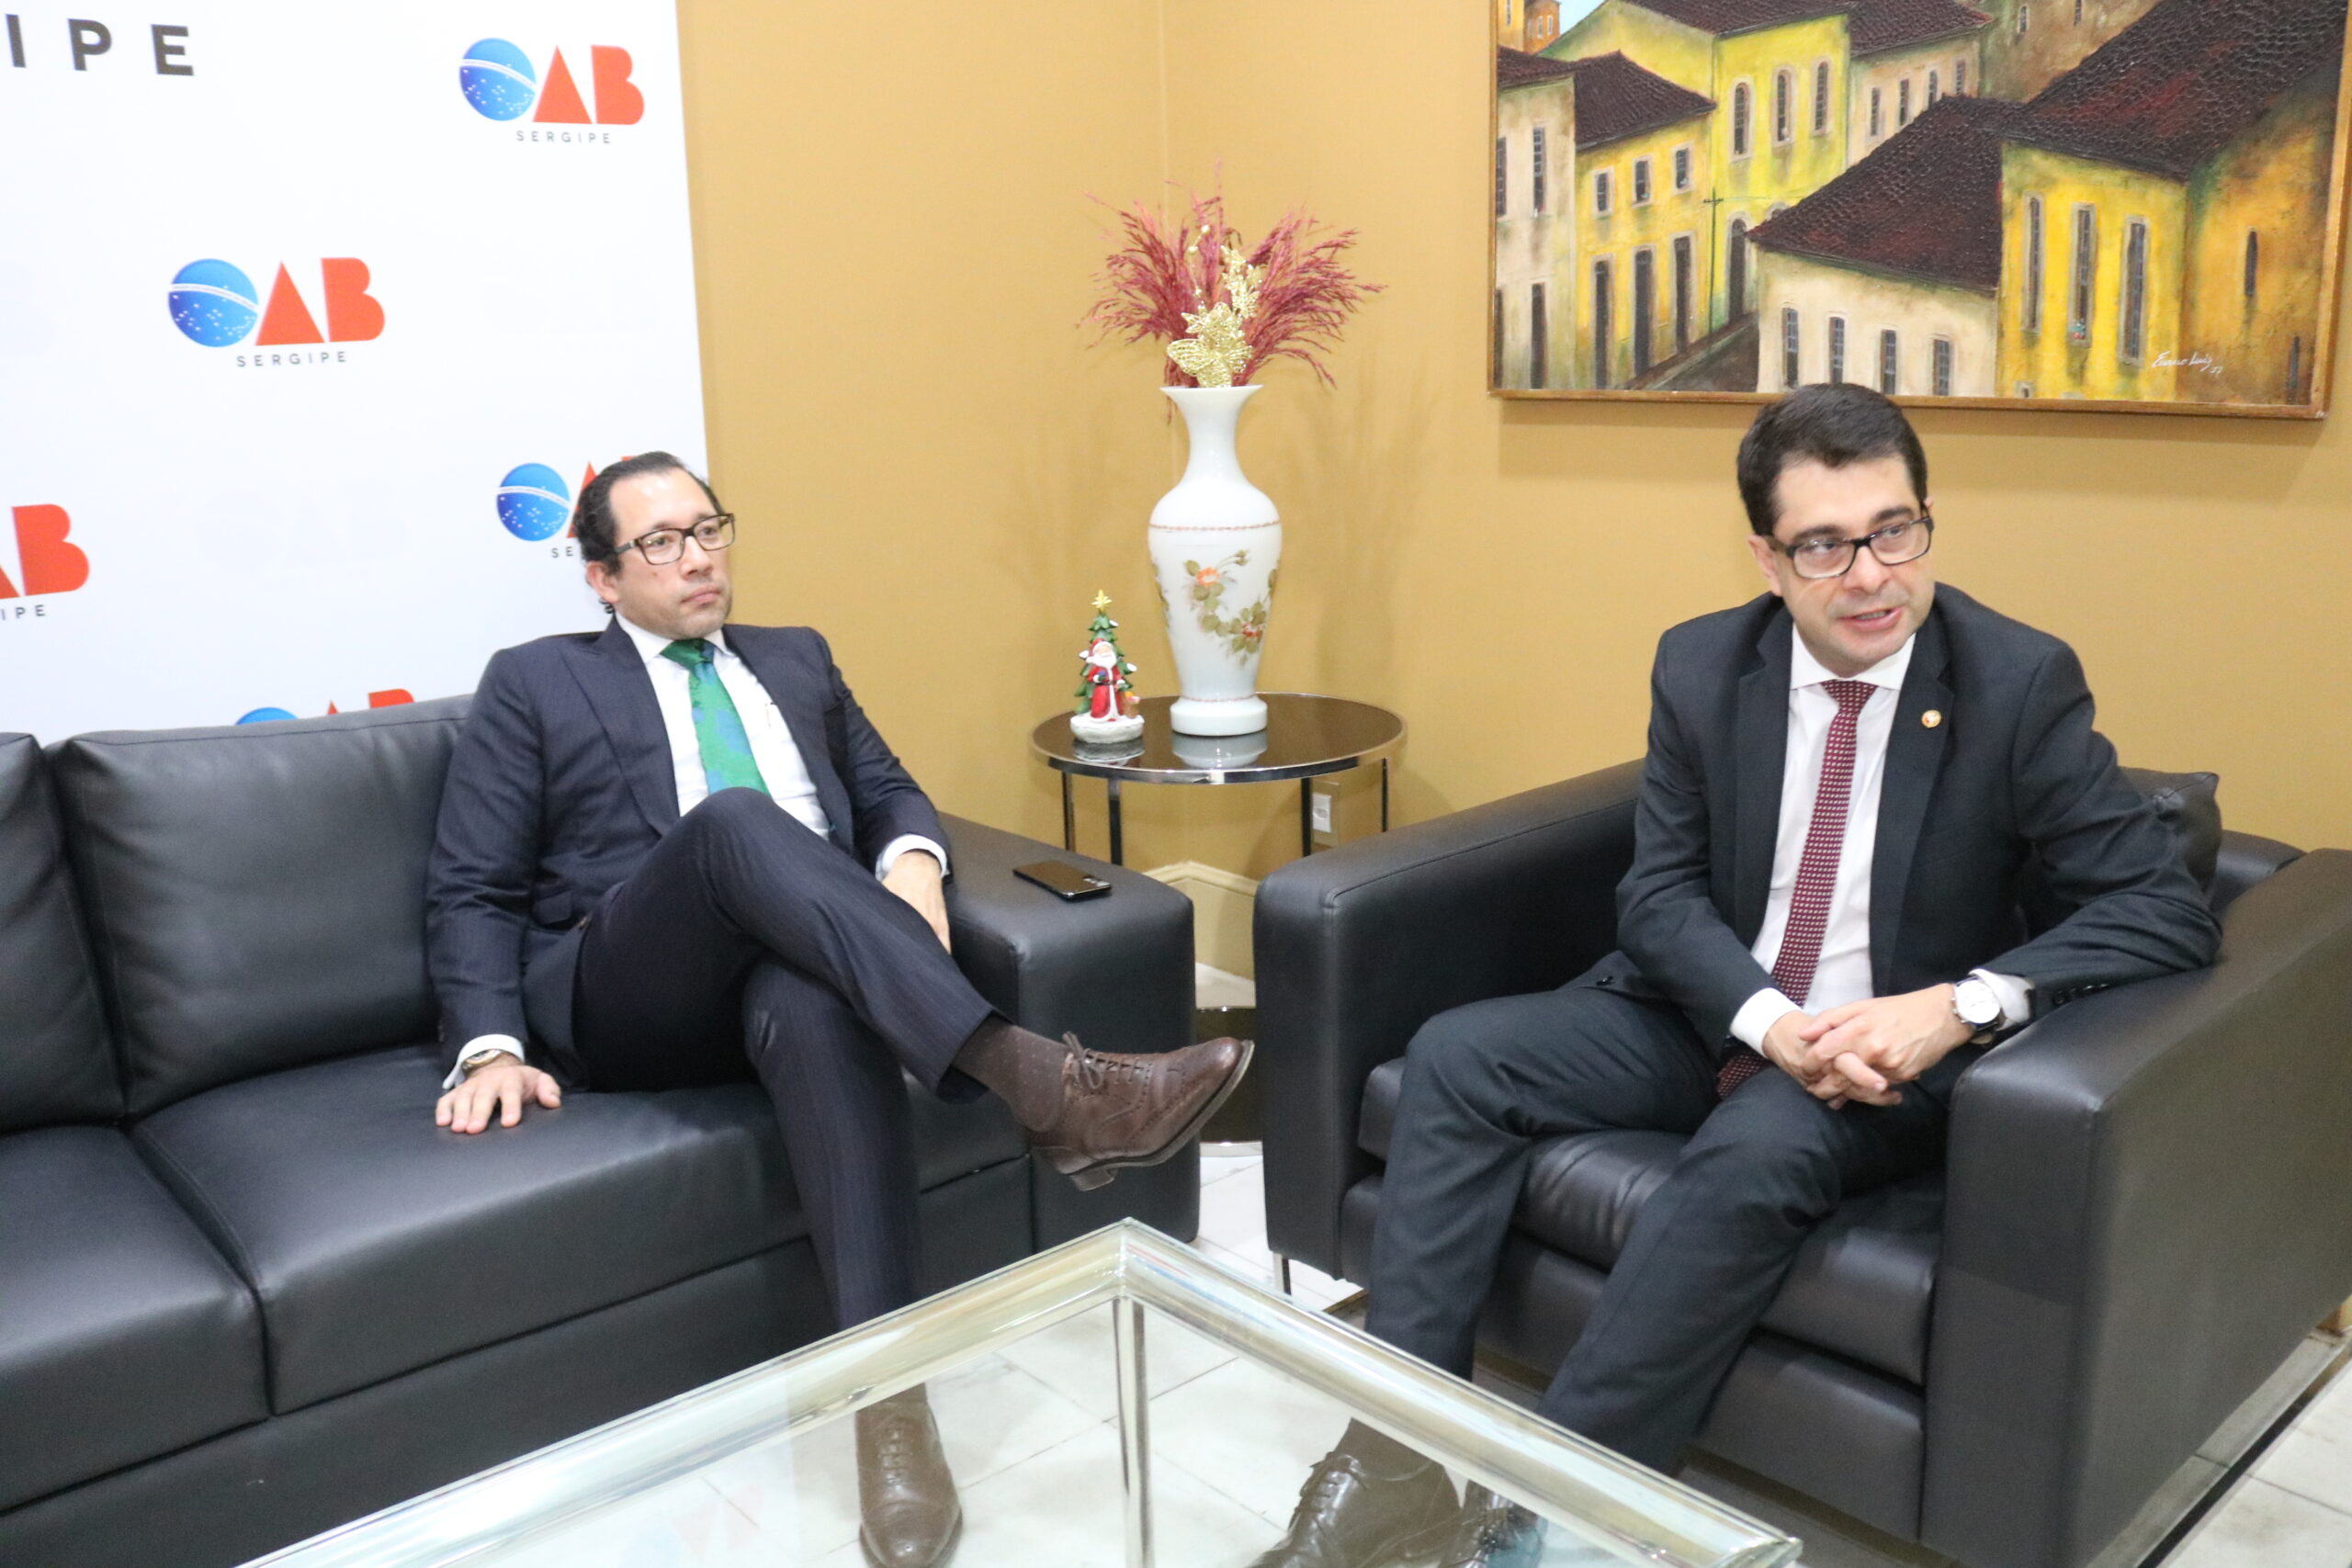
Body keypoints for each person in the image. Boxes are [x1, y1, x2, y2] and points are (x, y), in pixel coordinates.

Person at [1250, 385, 2221, 1567]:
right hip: (1720, 1011)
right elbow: (1658, 895)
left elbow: (2158, 907)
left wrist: (1956, 1007)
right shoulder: (1706, 664)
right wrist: (1764, 1022)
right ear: (1767, 557)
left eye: (1894, 530)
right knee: (1458, 1056)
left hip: (1881, 1057)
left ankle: (1558, 1516)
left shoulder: (2015, 684)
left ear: (1925, 520)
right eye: (1824, 545)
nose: (1870, 576)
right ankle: (1395, 1462)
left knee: (1756, 1150)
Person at [426, 451, 1250, 1568]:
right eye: (660, 542)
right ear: (603, 577)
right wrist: (489, 1046)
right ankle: (1042, 1084)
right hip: (631, 986)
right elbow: (471, 887)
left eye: (708, 528)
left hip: (796, 966)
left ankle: (890, 1418)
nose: (697, 558)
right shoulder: (536, 681)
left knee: (812, 1002)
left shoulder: (794, 657)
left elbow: (887, 790)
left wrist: (910, 860)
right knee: (732, 822)